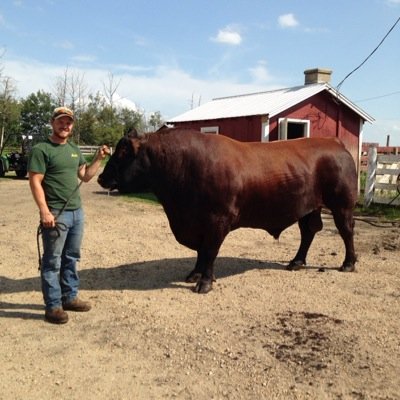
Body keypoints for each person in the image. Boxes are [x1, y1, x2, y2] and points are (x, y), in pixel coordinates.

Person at [28, 106, 110, 324]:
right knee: (52, 261)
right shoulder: (42, 149)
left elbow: (85, 177)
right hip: (56, 214)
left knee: (71, 258)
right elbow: (35, 181)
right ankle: (53, 306)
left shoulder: (74, 149)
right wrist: (44, 211)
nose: (65, 125)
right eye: (61, 121)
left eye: (69, 122)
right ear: (52, 123)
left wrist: (98, 158)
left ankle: (69, 297)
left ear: (72, 126)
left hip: (77, 213)